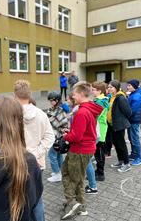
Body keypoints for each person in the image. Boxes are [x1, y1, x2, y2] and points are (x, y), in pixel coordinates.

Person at [61, 82, 103, 220]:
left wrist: (66, 135)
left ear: (81, 94)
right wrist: (71, 131)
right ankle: (80, 205)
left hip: (79, 150)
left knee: (71, 177)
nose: (73, 95)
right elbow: (83, 131)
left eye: (74, 93)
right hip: (85, 148)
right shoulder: (90, 109)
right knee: (77, 177)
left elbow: (77, 137)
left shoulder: (82, 112)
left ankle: (72, 204)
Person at [14, 80, 55, 221]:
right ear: (29, 94)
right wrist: (36, 153)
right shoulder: (41, 114)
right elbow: (50, 137)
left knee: (17, 199)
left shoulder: (11, 115)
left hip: (16, 163)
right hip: (37, 162)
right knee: (37, 197)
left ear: (15, 95)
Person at [108, 80, 132, 172]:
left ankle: (126, 163)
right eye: (109, 87)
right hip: (112, 124)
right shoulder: (112, 97)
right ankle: (120, 160)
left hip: (119, 125)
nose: (109, 89)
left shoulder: (121, 98)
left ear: (116, 88)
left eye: (111, 87)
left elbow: (128, 112)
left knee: (121, 145)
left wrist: (120, 119)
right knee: (117, 144)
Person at [46, 91, 69, 183]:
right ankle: (60, 172)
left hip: (57, 136)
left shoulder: (60, 110)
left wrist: (49, 119)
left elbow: (63, 124)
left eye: (53, 100)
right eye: (50, 100)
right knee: (58, 155)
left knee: (51, 155)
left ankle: (57, 174)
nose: (51, 102)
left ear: (57, 100)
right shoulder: (52, 108)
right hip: (53, 135)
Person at [92, 81, 109, 181]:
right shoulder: (100, 99)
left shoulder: (100, 101)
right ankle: (98, 170)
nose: (92, 91)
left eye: (94, 90)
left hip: (100, 130)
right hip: (100, 128)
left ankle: (100, 173)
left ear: (99, 91)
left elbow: (96, 116)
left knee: (99, 153)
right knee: (98, 152)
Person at [126, 79, 141, 165]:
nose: (127, 87)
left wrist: (125, 113)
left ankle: (139, 158)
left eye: (129, 85)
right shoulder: (134, 93)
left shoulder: (138, 95)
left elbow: (133, 110)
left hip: (134, 120)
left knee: (135, 139)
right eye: (128, 85)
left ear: (135, 86)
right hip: (131, 120)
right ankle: (134, 154)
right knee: (131, 138)